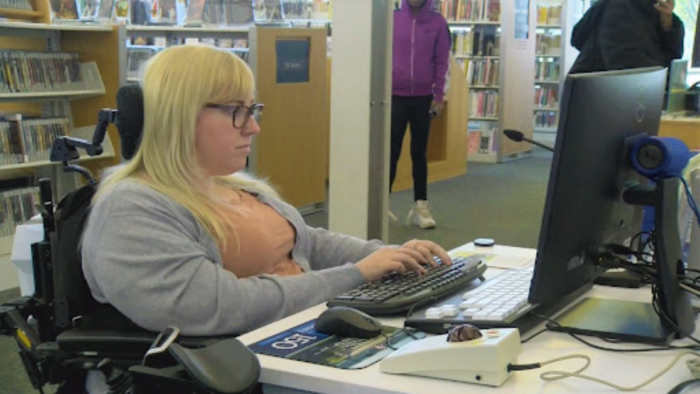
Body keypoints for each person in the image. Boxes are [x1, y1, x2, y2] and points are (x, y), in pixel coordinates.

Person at [81, 44, 454, 338]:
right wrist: (357, 274)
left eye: (253, 109)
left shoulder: (226, 183)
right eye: (237, 111)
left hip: (303, 330)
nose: (253, 128)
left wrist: (389, 257)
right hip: (245, 364)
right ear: (182, 114)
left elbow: (306, 241)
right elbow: (214, 306)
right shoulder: (131, 208)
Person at [390, 0, 450, 229]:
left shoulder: (437, 23)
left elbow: (441, 61)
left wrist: (438, 96)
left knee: (419, 151)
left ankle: (421, 206)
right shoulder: (392, 20)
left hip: (423, 97)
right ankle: (381, 202)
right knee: (391, 150)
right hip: (394, 95)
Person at [569, 0, 684, 74]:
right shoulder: (621, 7)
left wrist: (668, 27)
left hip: (617, 99)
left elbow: (673, 62)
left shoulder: (654, 12)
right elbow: (627, 65)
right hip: (599, 100)